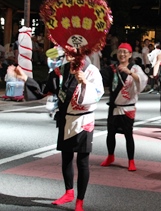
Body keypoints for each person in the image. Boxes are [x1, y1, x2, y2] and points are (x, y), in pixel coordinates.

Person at [12, 52, 104, 211]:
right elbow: (43, 89)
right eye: (66, 51)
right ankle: (68, 192)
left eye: (72, 52)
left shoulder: (91, 71)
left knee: (82, 162)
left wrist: (85, 83)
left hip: (83, 120)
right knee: (66, 158)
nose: (68, 55)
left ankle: (80, 201)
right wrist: (25, 78)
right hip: (65, 118)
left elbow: (97, 94)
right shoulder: (59, 71)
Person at [100, 43, 148, 171]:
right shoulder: (112, 68)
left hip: (128, 107)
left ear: (130, 55)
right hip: (114, 106)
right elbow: (100, 78)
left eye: (125, 52)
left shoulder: (135, 68)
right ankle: (110, 156)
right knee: (110, 134)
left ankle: (131, 160)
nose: (122, 54)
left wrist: (131, 73)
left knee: (128, 134)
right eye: (120, 52)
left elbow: (143, 81)